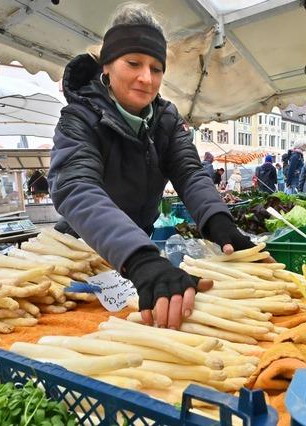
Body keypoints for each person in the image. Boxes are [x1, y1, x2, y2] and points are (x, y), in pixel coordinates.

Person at [48, 3, 254, 330]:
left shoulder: (166, 119)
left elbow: (189, 172)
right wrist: (141, 259)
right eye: (133, 63)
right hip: (79, 255)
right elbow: (76, 188)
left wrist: (219, 222)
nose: (146, 78)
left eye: (156, 68)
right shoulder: (79, 119)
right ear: (107, 66)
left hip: (133, 254)